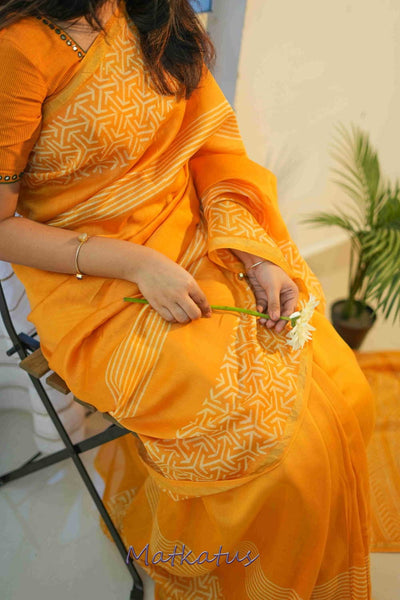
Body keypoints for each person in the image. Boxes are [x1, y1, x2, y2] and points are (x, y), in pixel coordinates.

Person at [0, 1, 376, 598]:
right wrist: (140, 263)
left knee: (341, 391)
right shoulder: (20, 47)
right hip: (95, 278)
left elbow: (208, 147)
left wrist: (256, 255)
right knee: (275, 451)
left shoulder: (151, 10)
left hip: (201, 228)